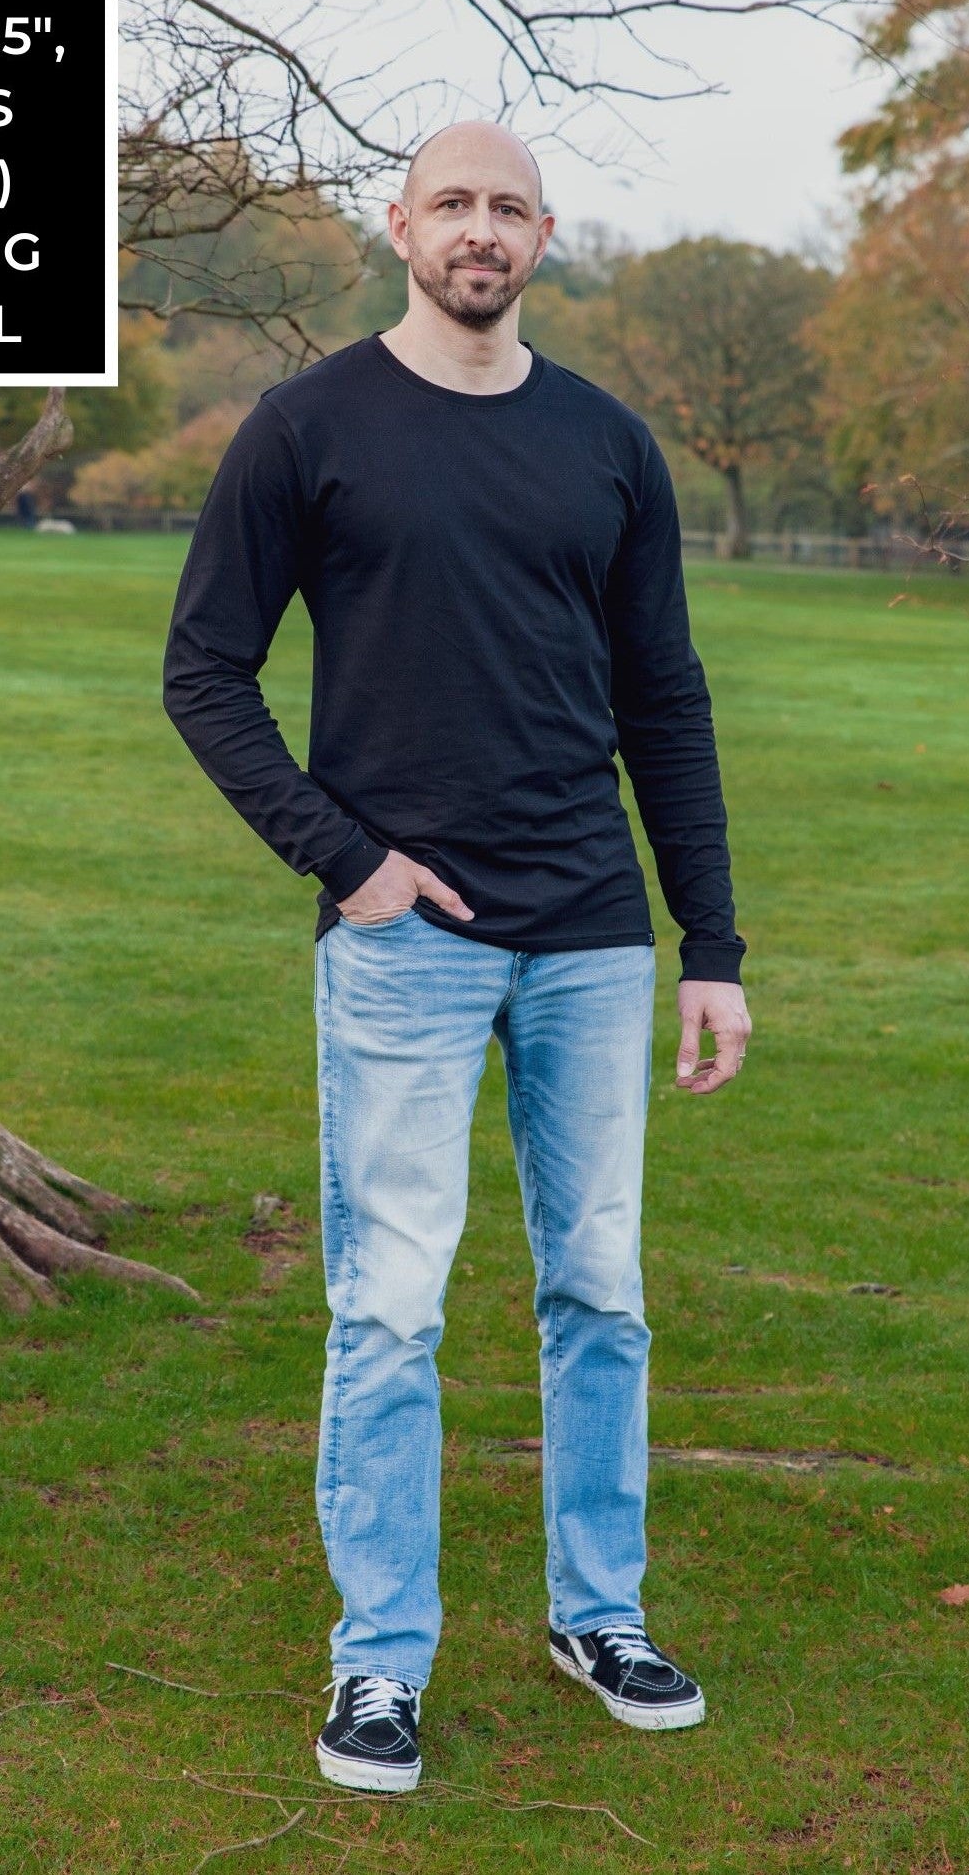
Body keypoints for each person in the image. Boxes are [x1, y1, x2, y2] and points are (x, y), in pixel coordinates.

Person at [163, 120, 752, 1795]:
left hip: (589, 938)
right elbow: (204, 670)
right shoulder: (307, 426)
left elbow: (667, 701)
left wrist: (709, 937)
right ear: (399, 224)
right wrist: (346, 862)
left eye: (508, 207)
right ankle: (381, 1661)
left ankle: (599, 1611)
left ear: (542, 233)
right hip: (405, 944)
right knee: (393, 1311)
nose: (479, 231)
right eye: (453, 205)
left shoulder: (609, 444)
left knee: (603, 1291)